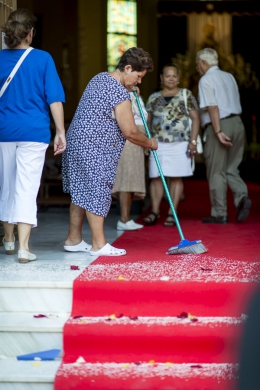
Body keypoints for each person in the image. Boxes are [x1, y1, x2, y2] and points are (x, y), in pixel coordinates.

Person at [62, 47, 157, 256]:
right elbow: (131, 131)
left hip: (76, 142)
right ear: (128, 68)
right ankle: (99, 244)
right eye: (138, 76)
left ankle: (73, 239)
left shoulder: (100, 78)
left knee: (81, 192)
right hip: (94, 148)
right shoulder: (119, 92)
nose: (139, 81)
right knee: (97, 191)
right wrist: (150, 142)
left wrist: (130, 91)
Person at [0, 9, 66, 263]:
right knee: (26, 187)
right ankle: (24, 247)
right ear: (31, 32)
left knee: (6, 184)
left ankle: (8, 240)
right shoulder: (43, 59)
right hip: (33, 132)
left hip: (4, 131)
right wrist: (60, 132)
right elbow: (55, 100)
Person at [196, 48, 251, 224]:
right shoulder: (229, 76)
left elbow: (213, 107)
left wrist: (218, 132)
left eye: (198, 63)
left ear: (204, 63)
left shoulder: (206, 79)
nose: (198, 67)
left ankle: (220, 213)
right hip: (237, 123)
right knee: (232, 167)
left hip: (219, 125)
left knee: (216, 171)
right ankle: (242, 197)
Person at [143, 64, 200, 226]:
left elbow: (196, 118)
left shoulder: (186, 95)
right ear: (161, 78)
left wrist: (193, 141)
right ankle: (154, 211)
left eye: (174, 76)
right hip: (157, 143)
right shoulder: (154, 97)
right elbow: (149, 121)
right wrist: (147, 141)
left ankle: (171, 212)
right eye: (167, 76)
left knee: (176, 177)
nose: (171, 78)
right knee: (155, 177)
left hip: (180, 143)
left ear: (178, 78)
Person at [111, 92, 148, 231]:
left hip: (138, 136)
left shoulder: (135, 93)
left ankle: (126, 218)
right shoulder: (120, 93)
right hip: (128, 136)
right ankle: (123, 219)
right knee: (126, 178)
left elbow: (142, 115)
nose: (138, 81)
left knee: (133, 178)